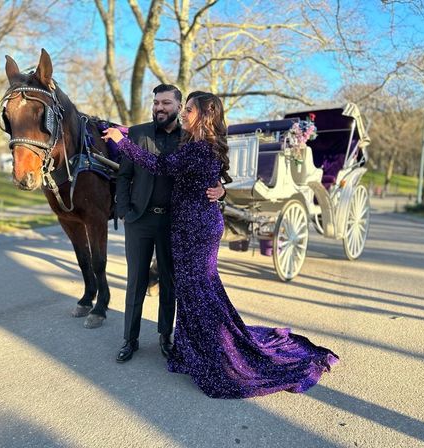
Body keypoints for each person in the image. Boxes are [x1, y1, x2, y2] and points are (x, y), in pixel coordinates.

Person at [103, 91, 338, 398]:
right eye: (184, 109)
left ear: (206, 114)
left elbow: (159, 165)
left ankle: (218, 356)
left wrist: (122, 144)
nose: (184, 114)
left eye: (189, 109)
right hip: (192, 225)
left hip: (196, 229)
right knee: (197, 291)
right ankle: (193, 349)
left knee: (199, 292)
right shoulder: (198, 144)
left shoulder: (200, 148)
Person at [114, 84, 224, 363]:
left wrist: (221, 189)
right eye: (156, 103)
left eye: (167, 103)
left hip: (176, 222)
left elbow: (211, 171)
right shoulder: (137, 133)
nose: (159, 107)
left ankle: (167, 337)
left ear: (177, 106)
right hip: (139, 220)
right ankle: (130, 339)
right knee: (136, 281)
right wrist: (124, 210)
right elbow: (124, 175)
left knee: (172, 283)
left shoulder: (189, 139)